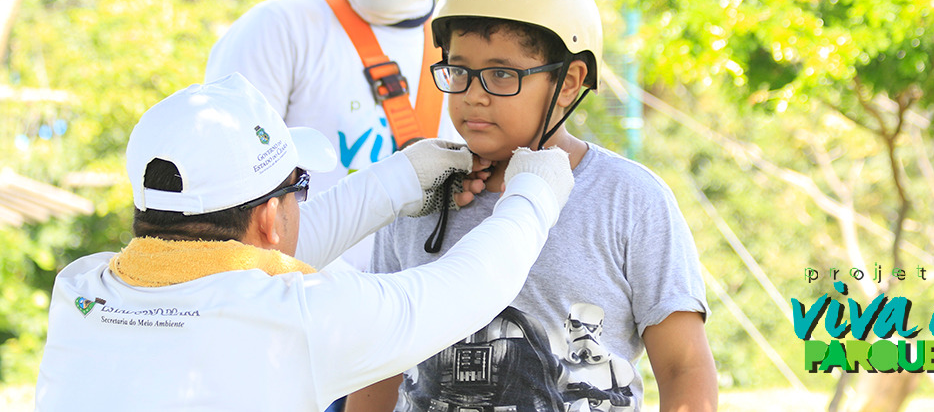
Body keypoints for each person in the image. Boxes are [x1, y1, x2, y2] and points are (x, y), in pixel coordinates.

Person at [34, 72, 576, 411]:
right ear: (271, 217)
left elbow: (230, 266)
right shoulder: (299, 320)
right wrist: (534, 195)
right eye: (301, 189)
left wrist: (398, 180)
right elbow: (464, 291)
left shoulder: (80, 290)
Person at [348, 0, 718, 411]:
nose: (473, 94)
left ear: (569, 83)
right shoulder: (419, 198)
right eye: (459, 70)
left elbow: (685, 367)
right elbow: (379, 359)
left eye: (502, 74)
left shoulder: (628, 199)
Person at [205, 0, 465, 272]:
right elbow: (223, 205)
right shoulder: (278, 30)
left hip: (423, 317)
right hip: (300, 313)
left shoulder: (466, 54)